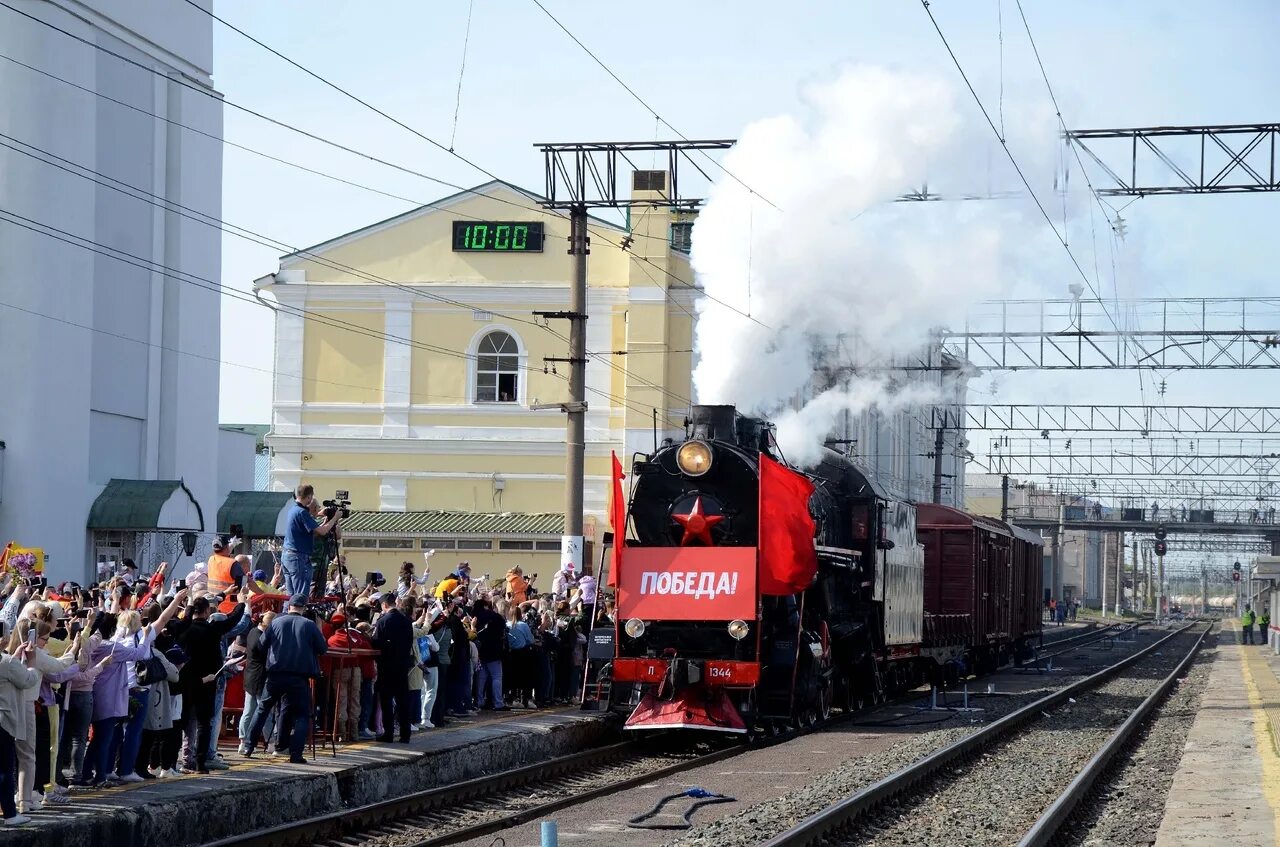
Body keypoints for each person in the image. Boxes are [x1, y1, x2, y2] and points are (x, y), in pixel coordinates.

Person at [245, 595, 327, 764]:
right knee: (302, 715)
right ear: (303, 608)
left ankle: (248, 746)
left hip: (275, 674)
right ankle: (295, 753)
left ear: (289, 607)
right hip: (298, 677)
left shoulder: (275, 622)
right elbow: (322, 649)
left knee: (262, 710)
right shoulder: (309, 625)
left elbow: (261, 645)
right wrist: (319, 627)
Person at [169, 589, 244, 773]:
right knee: (204, 724)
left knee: (180, 723)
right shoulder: (213, 630)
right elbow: (233, 619)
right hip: (208, 683)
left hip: (185, 683)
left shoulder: (183, 629)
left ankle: (172, 763)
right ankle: (201, 763)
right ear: (207, 612)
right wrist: (242, 602)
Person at [0, 635, 40, 826]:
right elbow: (28, 679)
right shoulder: (6, 662)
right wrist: (31, 661)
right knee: (5, 770)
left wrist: (14, 657)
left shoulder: (7, 661)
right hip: (3, 721)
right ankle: (9, 814)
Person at [282, 484, 341, 599]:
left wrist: (324, 521)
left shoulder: (293, 510)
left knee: (291, 595)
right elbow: (323, 532)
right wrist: (335, 518)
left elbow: (313, 532)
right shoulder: (302, 512)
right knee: (300, 595)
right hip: (298, 556)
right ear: (309, 497)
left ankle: (287, 614)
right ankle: (298, 616)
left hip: (288, 556)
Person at [371, 594, 415, 742]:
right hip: (402, 665)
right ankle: (405, 734)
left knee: (386, 700)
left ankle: (388, 733)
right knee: (403, 700)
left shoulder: (382, 621)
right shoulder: (406, 621)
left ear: (384, 605)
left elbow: (376, 643)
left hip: (386, 665)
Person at [472, 598, 507, 711]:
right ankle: (498, 703)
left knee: (481, 678)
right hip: (494, 650)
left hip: (480, 651)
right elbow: (503, 625)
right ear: (486, 606)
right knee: (497, 677)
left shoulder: (474, 617)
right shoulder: (494, 616)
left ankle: (479, 701)